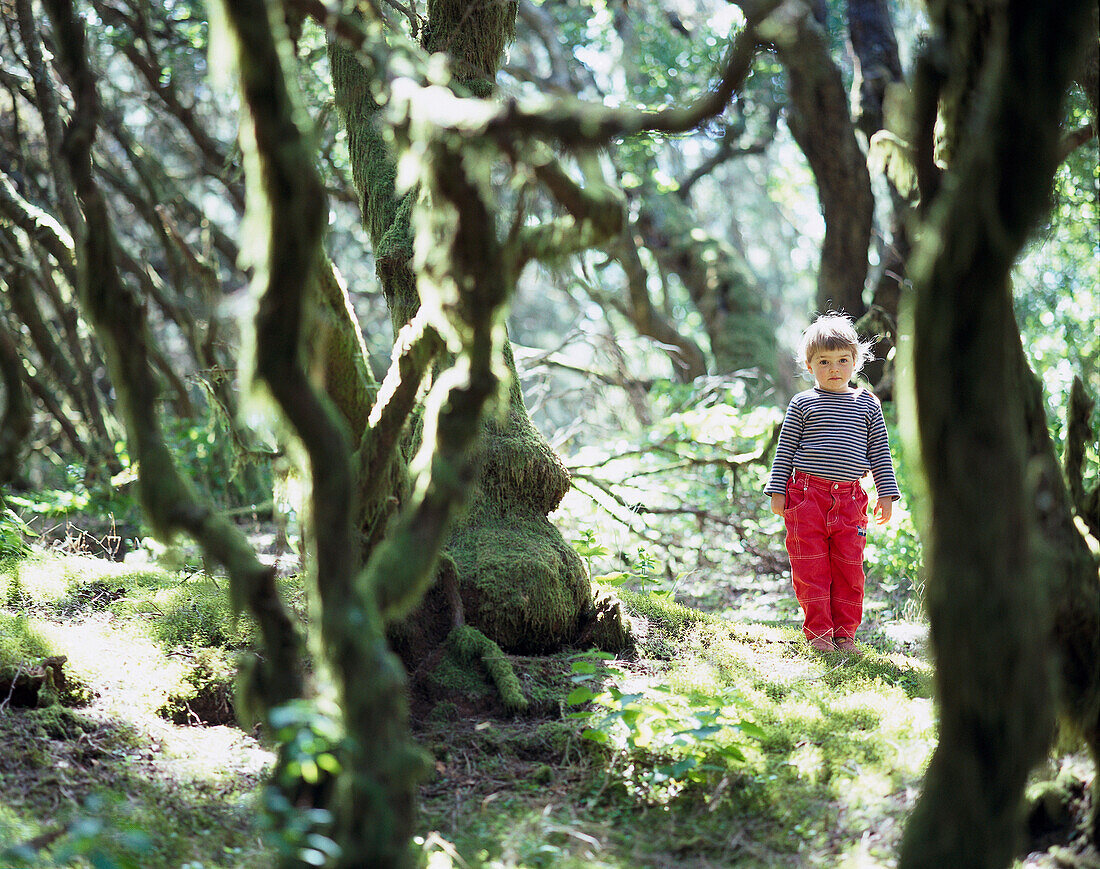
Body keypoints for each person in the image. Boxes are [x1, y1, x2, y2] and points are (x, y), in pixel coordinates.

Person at [764, 313, 900, 655]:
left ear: (856, 361)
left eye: (842, 360)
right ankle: (820, 634)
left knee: (849, 571)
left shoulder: (867, 403)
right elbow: (786, 449)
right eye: (824, 361)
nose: (834, 368)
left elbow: (880, 452)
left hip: (851, 500)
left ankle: (845, 636)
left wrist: (886, 493)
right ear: (809, 366)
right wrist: (778, 489)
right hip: (806, 497)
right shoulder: (803, 403)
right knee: (810, 568)